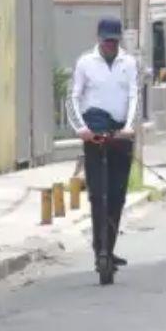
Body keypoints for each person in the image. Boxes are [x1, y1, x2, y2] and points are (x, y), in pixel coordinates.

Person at [68, 18, 138, 268]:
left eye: (114, 40)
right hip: (95, 134)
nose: (110, 45)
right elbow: (73, 98)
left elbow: (133, 96)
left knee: (117, 194)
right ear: (98, 38)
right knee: (99, 194)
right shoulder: (86, 62)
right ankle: (100, 249)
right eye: (106, 40)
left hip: (121, 134)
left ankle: (109, 246)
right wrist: (81, 129)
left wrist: (129, 127)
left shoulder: (128, 62)